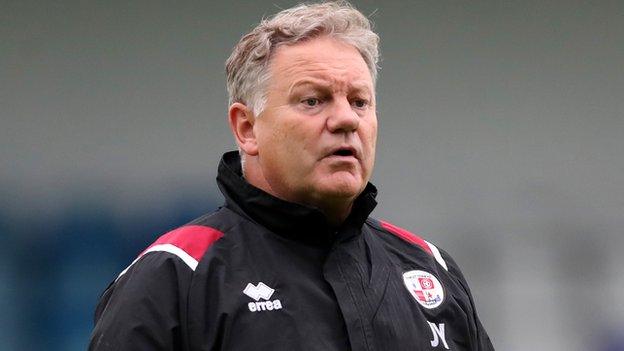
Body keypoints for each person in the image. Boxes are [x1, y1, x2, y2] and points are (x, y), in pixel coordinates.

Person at [89, 2, 494, 350]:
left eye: (359, 101)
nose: (345, 120)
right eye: (313, 100)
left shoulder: (428, 266)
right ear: (247, 129)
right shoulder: (176, 274)